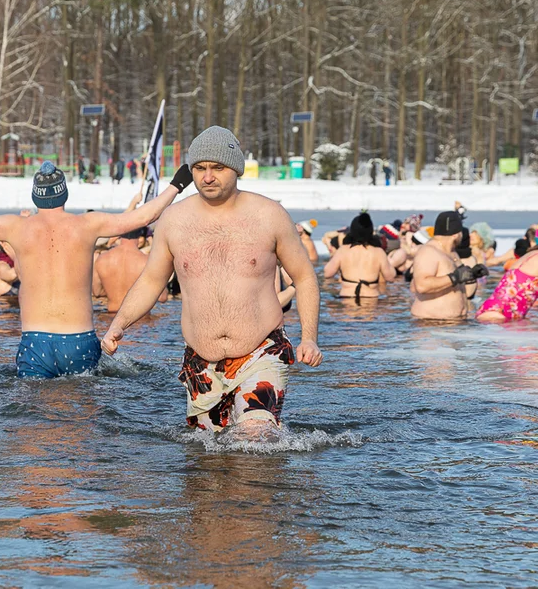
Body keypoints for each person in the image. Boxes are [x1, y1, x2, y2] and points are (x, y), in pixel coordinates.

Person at [101, 126, 321, 435]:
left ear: (236, 169)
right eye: (200, 168)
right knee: (210, 455)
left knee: (255, 439)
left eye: (218, 168)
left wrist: (309, 336)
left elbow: (305, 277)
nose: (207, 177)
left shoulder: (269, 215)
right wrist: (119, 324)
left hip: (261, 350)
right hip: (201, 362)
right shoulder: (174, 220)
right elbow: (151, 281)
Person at [0, 159, 195, 378]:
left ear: (36, 197)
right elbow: (146, 214)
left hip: (35, 341)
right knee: (81, 419)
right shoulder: (88, 225)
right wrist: (177, 184)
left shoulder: (15, 227)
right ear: (64, 194)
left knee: (35, 424)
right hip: (79, 340)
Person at [409, 211, 487, 320]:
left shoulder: (452, 253)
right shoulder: (428, 252)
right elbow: (421, 285)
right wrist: (455, 277)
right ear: (456, 234)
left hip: (454, 324)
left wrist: (472, 274)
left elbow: (459, 285)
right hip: (431, 325)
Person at [323, 212, 396, 300]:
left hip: (347, 298)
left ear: (352, 231)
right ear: (370, 231)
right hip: (371, 300)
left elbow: (327, 273)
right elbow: (391, 277)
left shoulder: (343, 250)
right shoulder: (378, 252)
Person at [94, 229, 167, 313]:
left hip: (111, 318)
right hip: (140, 321)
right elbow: (162, 297)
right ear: (140, 236)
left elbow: (97, 292)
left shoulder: (102, 259)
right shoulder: (147, 261)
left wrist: (114, 291)